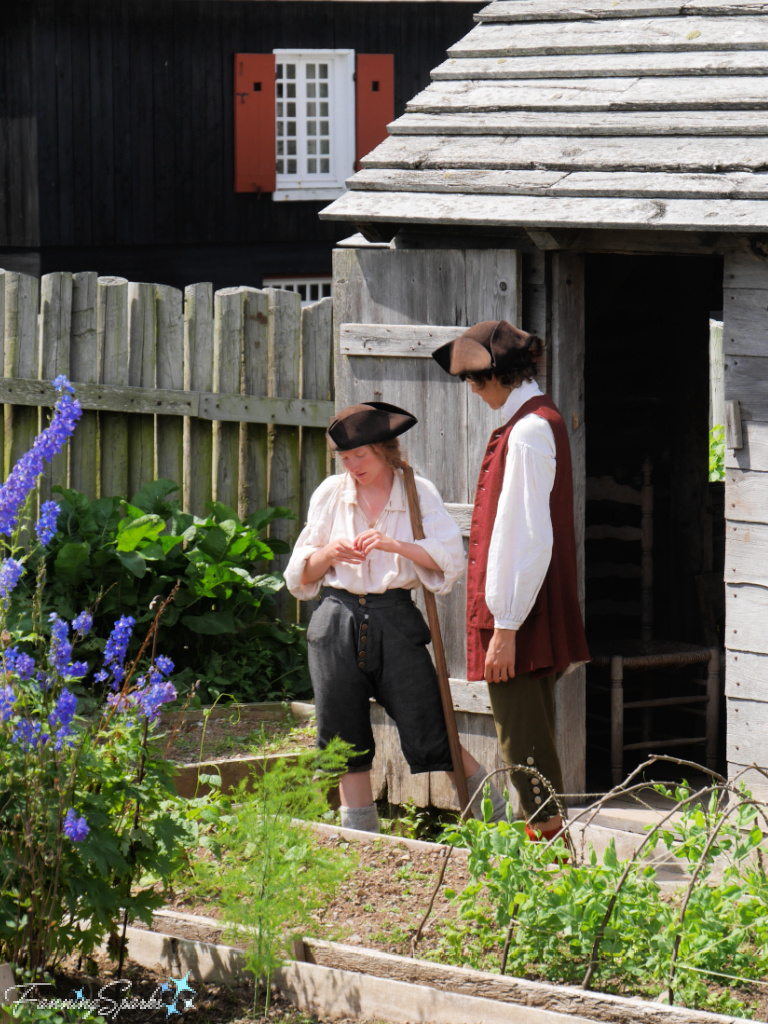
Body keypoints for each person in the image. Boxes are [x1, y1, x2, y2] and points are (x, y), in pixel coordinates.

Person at [285, 401, 507, 833]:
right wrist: (329, 553)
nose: (352, 466)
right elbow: (300, 575)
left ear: (385, 450)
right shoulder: (330, 494)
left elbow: (448, 561)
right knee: (342, 741)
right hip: (335, 620)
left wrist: (395, 546)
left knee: (433, 728)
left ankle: (503, 827)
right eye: (344, 458)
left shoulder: (416, 491)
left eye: (360, 456)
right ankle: (362, 843)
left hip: (396, 620)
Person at [432, 321, 590, 842]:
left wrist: (505, 625)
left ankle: (554, 862)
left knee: (522, 739)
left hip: (520, 614)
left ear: (498, 376)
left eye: (477, 382)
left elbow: (525, 535)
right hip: (524, 611)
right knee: (529, 734)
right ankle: (550, 857)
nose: (475, 393)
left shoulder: (528, 430)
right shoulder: (534, 421)